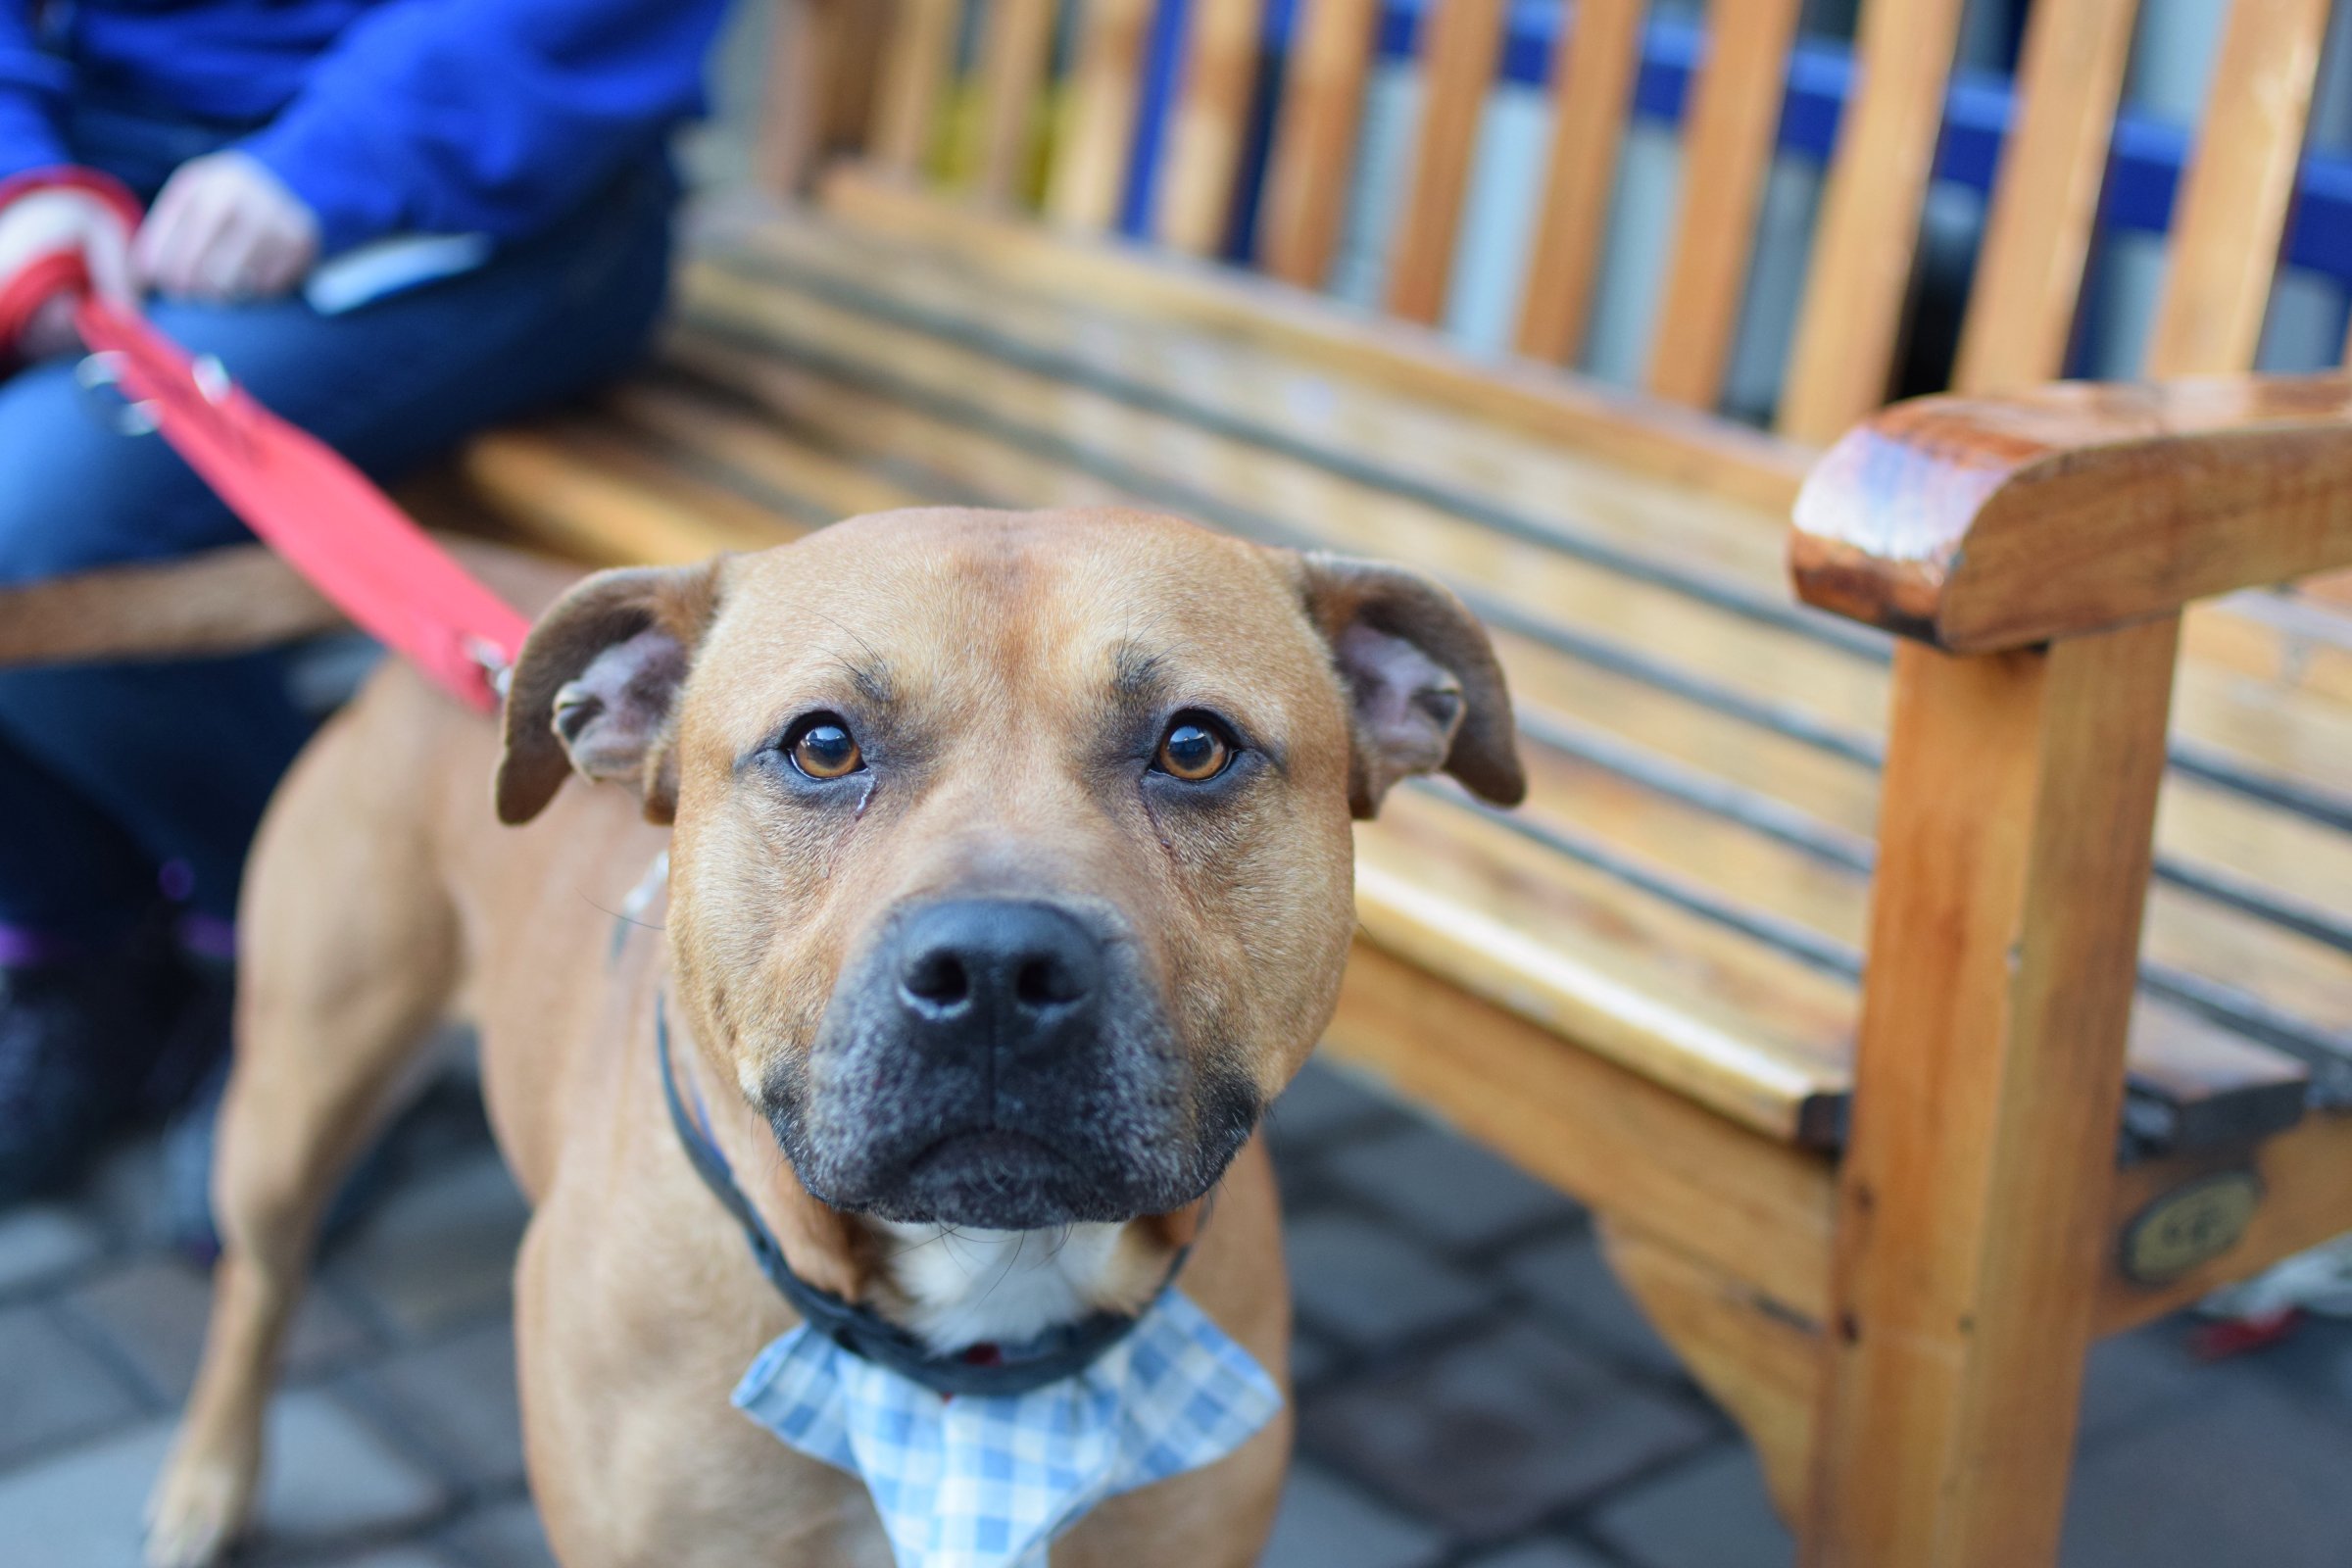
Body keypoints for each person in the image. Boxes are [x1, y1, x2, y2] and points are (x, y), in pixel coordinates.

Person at [0, 0, 729, 1206]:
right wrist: (21, 176)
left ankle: (304, 956)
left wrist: (332, 162)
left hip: (473, 173)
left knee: (29, 524)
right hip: (99, 150)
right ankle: (91, 942)